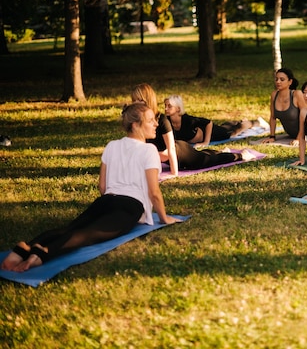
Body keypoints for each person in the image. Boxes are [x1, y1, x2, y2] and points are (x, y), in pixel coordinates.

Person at [1, 102, 181, 273]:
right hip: (129, 207)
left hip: (105, 201)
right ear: (135, 125)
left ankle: (22, 250)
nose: (156, 124)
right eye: (150, 120)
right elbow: (154, 192)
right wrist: (164, 218)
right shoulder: (148, 150)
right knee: (88, 234)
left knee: (70, 227)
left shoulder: (112, 145)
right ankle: (43, 253)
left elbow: (102, 186)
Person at [131, 84, 251, 172]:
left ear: (148, 100)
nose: (135, 104)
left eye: (139, 100)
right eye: (134, 100)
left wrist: (174, 173)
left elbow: (171, 149)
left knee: (210, 160)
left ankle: (240, 155)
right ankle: (221, 151)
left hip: (181, 153)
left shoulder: (162, 119)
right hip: (169, 155)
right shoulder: (140, 122)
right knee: (204, 154)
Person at [164, 94, 267, 147]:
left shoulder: (188, 120)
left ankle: (256, 122)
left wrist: (206, 142)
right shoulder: (166, 121)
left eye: (169, 106)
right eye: (165, 106)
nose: (166, 109)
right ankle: (240, 121)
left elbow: (208, 122)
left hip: (213, 133)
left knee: (234, 131)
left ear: (178, 108)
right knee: (226, 126)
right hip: (211, 131)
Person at [261, 68, 306, 144]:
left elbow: (306, 117)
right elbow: (272, 117)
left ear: (290, 82)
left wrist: (299, 138)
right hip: (291, 135)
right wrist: (272, 137)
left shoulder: (297, 94)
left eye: (282, 79)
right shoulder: (274, 95)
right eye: (276, 79)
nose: (278, 82)